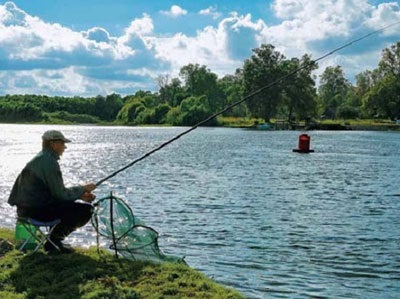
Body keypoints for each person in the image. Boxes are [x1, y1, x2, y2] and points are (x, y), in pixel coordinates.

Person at [8, 130, 97, 253]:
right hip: (35, 211)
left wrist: (80, 196)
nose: (65, 147)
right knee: (86, 210)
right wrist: (83, 188)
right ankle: (54, 242)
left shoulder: (41, 159)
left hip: (27, 209)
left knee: (64, 206)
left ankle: (53, 242)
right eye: (62, 143)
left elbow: (53, 193)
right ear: (53, 144)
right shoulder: (48, 162)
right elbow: (60, 194)